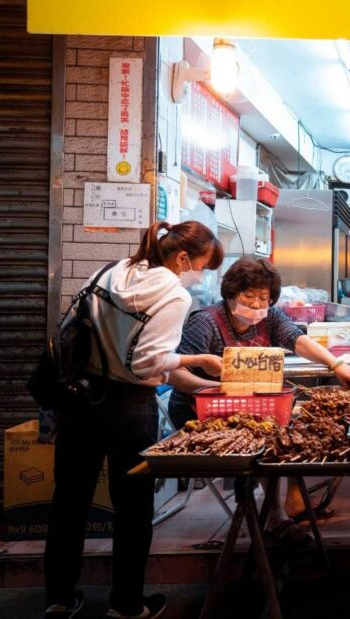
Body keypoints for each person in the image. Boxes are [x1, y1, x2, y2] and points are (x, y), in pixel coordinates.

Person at [45, 221, 225, 619]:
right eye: (203, 267)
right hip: (129, 405)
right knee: (132, 508)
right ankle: (127, 604)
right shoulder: (173, 295)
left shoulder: (111, 271)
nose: (202, 276)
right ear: (182, 258)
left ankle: (59, 598)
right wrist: (199, 359)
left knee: (69, 501)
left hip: (80, 398)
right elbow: (148, 362)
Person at [167, 256, 350, 543]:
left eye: (264, 298)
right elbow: (174, 374)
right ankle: (271, 516)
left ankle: (276, 513)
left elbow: (297, 340)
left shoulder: (270, 318)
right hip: (200, 412)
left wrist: (336, 365)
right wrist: (216, 388)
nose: (257, 305)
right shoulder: (205, 322)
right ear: (231, 293)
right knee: (265, 441)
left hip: (253, 409)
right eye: (249, 296)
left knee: (286, 436)